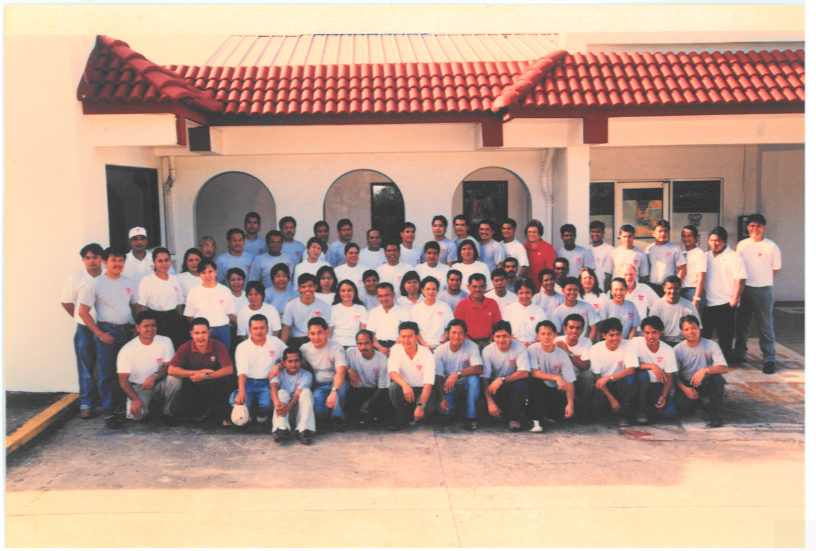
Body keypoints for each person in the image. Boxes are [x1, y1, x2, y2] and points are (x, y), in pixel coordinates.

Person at [78, 247, 138, 429]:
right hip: (108, 333)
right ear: (105, 262)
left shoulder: (129, 282)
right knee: (107, 375)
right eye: (113, 260)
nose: (117, 264)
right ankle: (109, 413)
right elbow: (82, 311)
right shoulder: (96, 284)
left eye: (120, 260)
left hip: (127, 333)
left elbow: (135, 306)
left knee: (126, 373)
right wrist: (99, 333)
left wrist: (136, 326)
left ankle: (123, 410)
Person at [60, 242, 104, 419]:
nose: (92, 261)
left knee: (106, 367)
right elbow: (66, 302)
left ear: (102, 258)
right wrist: (80, 318)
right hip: (84, 329)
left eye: (95, 257)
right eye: (87, 257)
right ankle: (86, 403)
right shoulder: (75, 278)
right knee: (85, 368)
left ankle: (109, 403)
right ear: (83, 260)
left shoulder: (107, 276)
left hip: (105, 327)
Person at [734, 213, 782, 374]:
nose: (755, 229)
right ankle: (740, 354)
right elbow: (737, 268)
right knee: (742, 325)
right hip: (745, 289)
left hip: (764, 291)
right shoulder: (741, 245)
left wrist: (761, 281)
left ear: (764, 227)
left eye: (758, 226)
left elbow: (775, 269)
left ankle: (769, 358)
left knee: (765, 327)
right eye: (752, 226)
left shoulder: (771, 246)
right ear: (748, 227)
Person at [117, 312, 181, 426]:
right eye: (146, 326)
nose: (150, 329)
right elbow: (123, 379)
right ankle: (138, 403)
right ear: (137, 328)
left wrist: (154, 375)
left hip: (158, 383)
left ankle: (167, 412)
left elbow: (169, 366)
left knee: (175, 379)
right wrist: (135, 399)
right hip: (138, 387)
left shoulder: (165, 341)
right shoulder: (128, 349)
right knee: (137, 416)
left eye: (153, 325)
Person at [168, 317, 235, 424]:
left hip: (214, 384)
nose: (200, 336)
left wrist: (206, 376)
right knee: (176, 410)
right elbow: (171, 369)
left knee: (227, 380)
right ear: (191, 333)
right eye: (197, 333)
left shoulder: (218, 346)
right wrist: (196, 373)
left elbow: (229, 369)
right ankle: (200, 411)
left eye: (204, 332)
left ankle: (222, 415)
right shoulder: (185, 347)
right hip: (194, 385)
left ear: (209, 332)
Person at [229, 314, 286, 426]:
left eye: (262, 328)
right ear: (250, 330)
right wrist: (241, 392)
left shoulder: (275, 342)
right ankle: (248, 414)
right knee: (242, 404)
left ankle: (262, 415)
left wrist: (278, 365)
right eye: (255, 328)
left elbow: (290, 357)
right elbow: (242, 372)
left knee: (265, 405)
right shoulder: (242, 347)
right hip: (248, 381)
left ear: (267, 329)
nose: (259, 331)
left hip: (266, 382)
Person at [674, 314, 728, 427]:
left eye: (693, 328)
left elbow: (723, 368)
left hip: (706, 382)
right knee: (684, 408)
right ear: (682, 332)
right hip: (688, 384)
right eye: (686, 329)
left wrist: (705, 370)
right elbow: (673, 375)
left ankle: (715, 415)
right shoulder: (677, 350)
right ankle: (698, 403)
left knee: (718, 379)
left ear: (699, 328)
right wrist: (685, 389)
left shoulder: (711, 345)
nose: (690, 332)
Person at [702, 226, 747, 363]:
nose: (714, 243)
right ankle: (703, 359)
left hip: (726, 303)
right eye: (711, 240)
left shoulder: (734, 257)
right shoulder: (705, 256)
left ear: (725, 241)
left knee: (725, 337)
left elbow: (741, 278)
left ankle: (725, 360)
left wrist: (735, 298)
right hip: (708, 302)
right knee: (705, 336)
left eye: (718, 241)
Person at [300, 317, 348, 431]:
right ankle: (326, 419)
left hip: (336, 381)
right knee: (320, 412)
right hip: (319, 384)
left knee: (338, 393)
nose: (316, 337)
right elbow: (292, 362)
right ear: (308, 334)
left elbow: (340, 372)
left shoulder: (336, 347)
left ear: (326, 332)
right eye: (312, 334)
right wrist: (278, 366)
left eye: (319, 333)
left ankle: (338, 418)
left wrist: (334, 391)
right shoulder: (304, 349)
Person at [588, 318, 639, 426]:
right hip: (603, 386)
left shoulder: (628, 344)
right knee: (597, 408)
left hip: (620, 383)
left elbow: (630, 370)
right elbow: (598, 378)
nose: (615, 338)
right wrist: (612, 399)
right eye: (611, 335)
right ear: (603, 335)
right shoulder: (596, 349)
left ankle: (624, 416)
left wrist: (608, 377)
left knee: (631, 380)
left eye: (618, 334)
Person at [387, 321, 438, 430]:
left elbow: (428, 384)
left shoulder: (426, 354)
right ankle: (400, 418)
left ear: (417, 337)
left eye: (410, 336)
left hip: (422, 389)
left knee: (425, 409)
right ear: (399, 337)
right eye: (403, 336)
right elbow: (392, 372)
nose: (406, 340)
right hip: (406, 389)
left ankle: (418, 415)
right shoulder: (395, 350)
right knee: (393, 387)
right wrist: (405, 385)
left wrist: (421, 406)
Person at [481, 321, 531, 431]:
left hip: (511, 382)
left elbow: (524, 372)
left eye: (505, 336)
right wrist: (490, 402)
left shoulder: (519, 347)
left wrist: (502, 379)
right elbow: (484, 379)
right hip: (494, 387)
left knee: (522, 385)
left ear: (510, 336)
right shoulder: (487, 351)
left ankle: (514, 419)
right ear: (493, 337)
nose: (501, 340)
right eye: (498, 336)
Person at [434, 319, 483, 430]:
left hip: (466, 383)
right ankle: (456, 408)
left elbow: (479, 368)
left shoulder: (471, 346)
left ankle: (472, 417)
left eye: (461, 333)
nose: (457, 336)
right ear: (448, 334)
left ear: (465, 334)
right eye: (453, 333)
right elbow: (439, 377)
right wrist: (442, 398)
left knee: (474, 380)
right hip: (449, 385)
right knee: (445, 410)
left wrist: (457, 374)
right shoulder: (440, 351)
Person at [527, 320, 575, 431]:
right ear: (538, 336)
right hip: (538, 388)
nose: (546, 337)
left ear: (555, 335)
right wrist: (557, 377)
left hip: (553, 390)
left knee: (557, 417)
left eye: (549, 334)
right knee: (535, 381)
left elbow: (570, 381)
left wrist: (570, 404)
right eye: (543, 334)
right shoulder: (532, 349)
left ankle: (546, 414)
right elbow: (533, 372)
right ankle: (535, 421)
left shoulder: (562, 354)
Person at [631, 317, 678, 424]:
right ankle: (640, 411)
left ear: (660, 333)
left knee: (670, 412)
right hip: (640, 385)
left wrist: (664, 395)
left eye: (654, 332)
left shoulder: (668, 350)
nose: (650, 336)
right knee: (643, 376)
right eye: (647, 332)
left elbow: (670, 377)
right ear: (642, 332)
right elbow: (632, 364)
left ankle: (650, 409)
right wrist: (652, 366)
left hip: (657, 386)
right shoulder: (636, 342)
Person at [136, 247, 186, 348]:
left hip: (174, 319)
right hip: (155, 319)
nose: (164, 264)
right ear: (154, 263)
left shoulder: (175, 279)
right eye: (160, 261)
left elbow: (179, 305)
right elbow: (142, 306)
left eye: (166, 260)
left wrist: (179, 320)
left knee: (175, 347)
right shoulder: (147, 280)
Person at [183, 259, 236, 348]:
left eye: (210, 271)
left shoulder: (225, 291)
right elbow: (190, 316)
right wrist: (201, 330)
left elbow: (229, 313)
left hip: (223, 329)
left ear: (215, 272)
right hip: (203, 332)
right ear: (199, 274)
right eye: (203, 272)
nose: (207, 275)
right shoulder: (194, 292)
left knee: (222, 358)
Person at [344, 330, 391, 426]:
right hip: (357, 390)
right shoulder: (350, 352)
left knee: (383, 411)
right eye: (360, 344)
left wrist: (367, 404)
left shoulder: (382, 359)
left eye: (366, 343)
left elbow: (382, 387)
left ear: (372, 343)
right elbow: (340, 368)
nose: (363, 347)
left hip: (374, 391)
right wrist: (348, 369)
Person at [270, 347, 316, 444]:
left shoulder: (306, 375)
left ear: (301, 361)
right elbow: (273, 387)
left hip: (299, 411)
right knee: (281, 392)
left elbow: (297, 395)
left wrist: (289, 406)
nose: (293, 364)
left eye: (296, 361)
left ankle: (303, 430)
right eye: (290, 361)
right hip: (283, 411)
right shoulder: (279, 373)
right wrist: (277, 404)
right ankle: (281, 428)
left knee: (306, 392)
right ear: (284, 362)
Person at [554, 314, 594, 420]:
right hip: (562, 378)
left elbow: (585, 366)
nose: (574, 331)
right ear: (565, 329)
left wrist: (568, 352)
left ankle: (582, 409)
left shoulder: (586, 342)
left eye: (578, 328)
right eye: (571, 327)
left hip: (578, 377)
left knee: (588, 375)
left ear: (582, 330)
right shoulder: (557, 340)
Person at [281, 274, 333, 348]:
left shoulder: (324, 305)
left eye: (310, 286)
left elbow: (328, 328)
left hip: (316, 340)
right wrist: (282, 348)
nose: (307, 289)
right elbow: (286, 328)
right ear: (299, 289)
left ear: (315, 287)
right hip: (297, 340)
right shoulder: (291, 305)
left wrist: (325, 345)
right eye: (303, 287)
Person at [454, 273, 503, 349]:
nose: (477, 289)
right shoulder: (461, 305)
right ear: (468, 287)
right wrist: (472, 344)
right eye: (474, 286)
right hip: (468, 344)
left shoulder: (492, 303)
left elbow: (498, 326)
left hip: (490, 343)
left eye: (481, 286)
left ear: (485, 287)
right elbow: (459, 329)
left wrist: (489, 342)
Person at [366, 282, 414, 356]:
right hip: (379, 347)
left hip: (399, 345)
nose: (384, 299)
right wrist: (379, 347)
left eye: (387, 295)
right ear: (377, 297)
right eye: (380, 296)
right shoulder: (373, 312)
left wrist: (394, 348)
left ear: (393, 295)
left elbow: (407, 333)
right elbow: (370, 335)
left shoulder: (404, 311)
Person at [649, 276, 699, 346]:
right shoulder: (657, 307)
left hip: (684, 342)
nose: (672, 291)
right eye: (669, 288)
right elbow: (652, 330)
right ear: (664, 288)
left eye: (676, 288)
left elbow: (697, 329)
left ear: (680, 288)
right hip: (663, 343)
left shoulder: (689, 306)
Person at [645, 219, 686, 297]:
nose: (663, 233)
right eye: (660, 231)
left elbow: (682, 269)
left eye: (665, 231)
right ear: (653, 233)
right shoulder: (649, 249)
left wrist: (676, 286)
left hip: (669, 288)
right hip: (652, 287)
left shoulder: (675, 248)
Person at [603, 224, 649, 290]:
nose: (627, 239)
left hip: (633, 290)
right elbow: (608, 275)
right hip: (617, 290)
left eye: (629, 236)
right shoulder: (612, 253)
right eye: (624, 236)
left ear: (633, 236)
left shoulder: (640, 254)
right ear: (620, 237)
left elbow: (643, 277)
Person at [412, 276, 453, 350]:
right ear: (422, 290)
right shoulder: (416, 309)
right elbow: (415, 331)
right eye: (428, 289)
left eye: (434, 289)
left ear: (437, 290)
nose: (431, 292)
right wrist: (425, 346)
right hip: (422, 347)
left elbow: (450, 328)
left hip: (442, 346)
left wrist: (442, 343)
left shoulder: (444, 306)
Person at [503, 278, 546, 347]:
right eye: (521, 293)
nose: (524, 296)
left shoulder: (539, 310)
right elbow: (505, 332)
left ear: (532, 293)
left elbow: (544, 332)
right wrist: (521, 344)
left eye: (527, 292)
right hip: (513, 345)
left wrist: (532, 344)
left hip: (535, 346)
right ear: (517, 293)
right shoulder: (509, 309)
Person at [330, 280, 368, 348]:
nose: (346, 293)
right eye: (343, 290)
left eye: (349, 290)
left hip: (354, 345)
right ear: (339, 293)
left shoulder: (361, 308)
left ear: (354, 292)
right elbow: (329, 332)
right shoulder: (333, 309)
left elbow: (363, 331)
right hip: (336, 345)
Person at [523, 219, 557, 293]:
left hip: (543, 290)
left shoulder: (547, 248)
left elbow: (551, 271)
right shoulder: (524, 247)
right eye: (529, 232)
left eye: (535, 232)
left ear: (540, 233)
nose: (531, 234)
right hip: (527, 290)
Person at [680, 225, 707, 310]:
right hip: (682, 292)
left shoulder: (699, 254)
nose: (686, 238)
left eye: (689, 236)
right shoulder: (683, 253)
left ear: (696, 238)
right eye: (684, 236)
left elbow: (701, 278)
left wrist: (696, 298)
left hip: (693, 292)